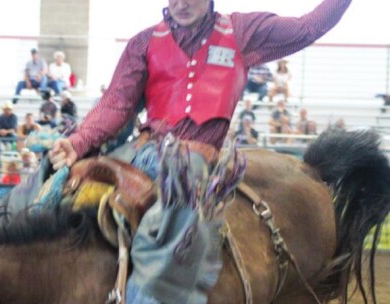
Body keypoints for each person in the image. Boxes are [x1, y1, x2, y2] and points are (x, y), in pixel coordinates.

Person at [50, 0, 352, 303]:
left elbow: (309, 27)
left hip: (191, 162)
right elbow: (117, 103)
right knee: (60, 185)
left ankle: (149, 296)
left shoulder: (241, 32)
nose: (181, 4)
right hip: (140, 151)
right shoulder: (143, 43)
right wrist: (76, 143)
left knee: (182, 203)